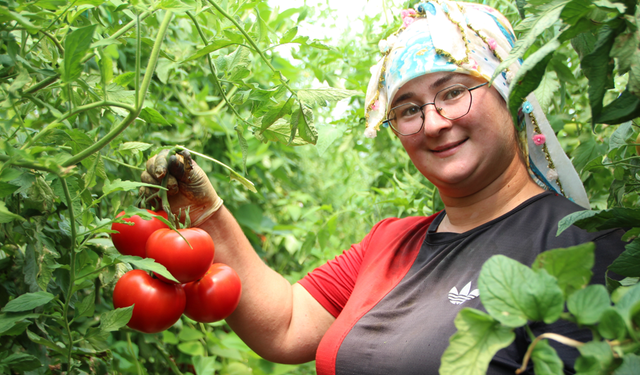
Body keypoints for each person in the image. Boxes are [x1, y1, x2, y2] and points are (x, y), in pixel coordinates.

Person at [140, 1, 625, 374]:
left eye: (454, 92)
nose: (433, 123)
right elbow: (286, 325)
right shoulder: (390, 243)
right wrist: (205, 214)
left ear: (511, 93)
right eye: (409, 109)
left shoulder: (579, 247)